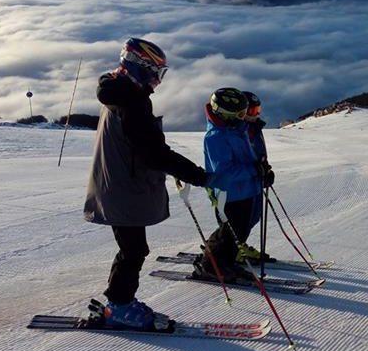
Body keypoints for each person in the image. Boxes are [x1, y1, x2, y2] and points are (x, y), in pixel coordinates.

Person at [84, 38, 207, 330]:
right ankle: (119, 305)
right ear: (139, 67)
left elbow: (144, 147)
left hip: (119, 183)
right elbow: (152, 152)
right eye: (156, 73)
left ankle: (120, 301)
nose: (157, 81)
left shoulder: (121, 93)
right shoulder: (130, 102)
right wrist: (195, 174)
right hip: (122, 187)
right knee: (133, 250)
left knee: (133, 248)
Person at [193, 87, 261, 283]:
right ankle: (210, 265)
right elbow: (224, 172)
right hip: (229, 194)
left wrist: (261, 170)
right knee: (229, 232)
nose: (244, 117)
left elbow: (247, 158)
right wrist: (253, 170)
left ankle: (227, 263)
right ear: (226, 114)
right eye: (240, 114)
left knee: (240, 232)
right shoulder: (216, 137)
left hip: (245, 190)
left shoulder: (237, 130)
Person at [234, 91, 276, 264]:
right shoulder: (236, 130)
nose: (256, 115)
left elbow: (258, 153)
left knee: (254, 215)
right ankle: (230, 248)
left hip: (255, 179)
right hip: (240, 182)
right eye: (252, 111)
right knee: (238, 219)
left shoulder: (254, 127)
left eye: (258, 110)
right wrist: (255, 170)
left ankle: (238, 245)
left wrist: (266, 169)